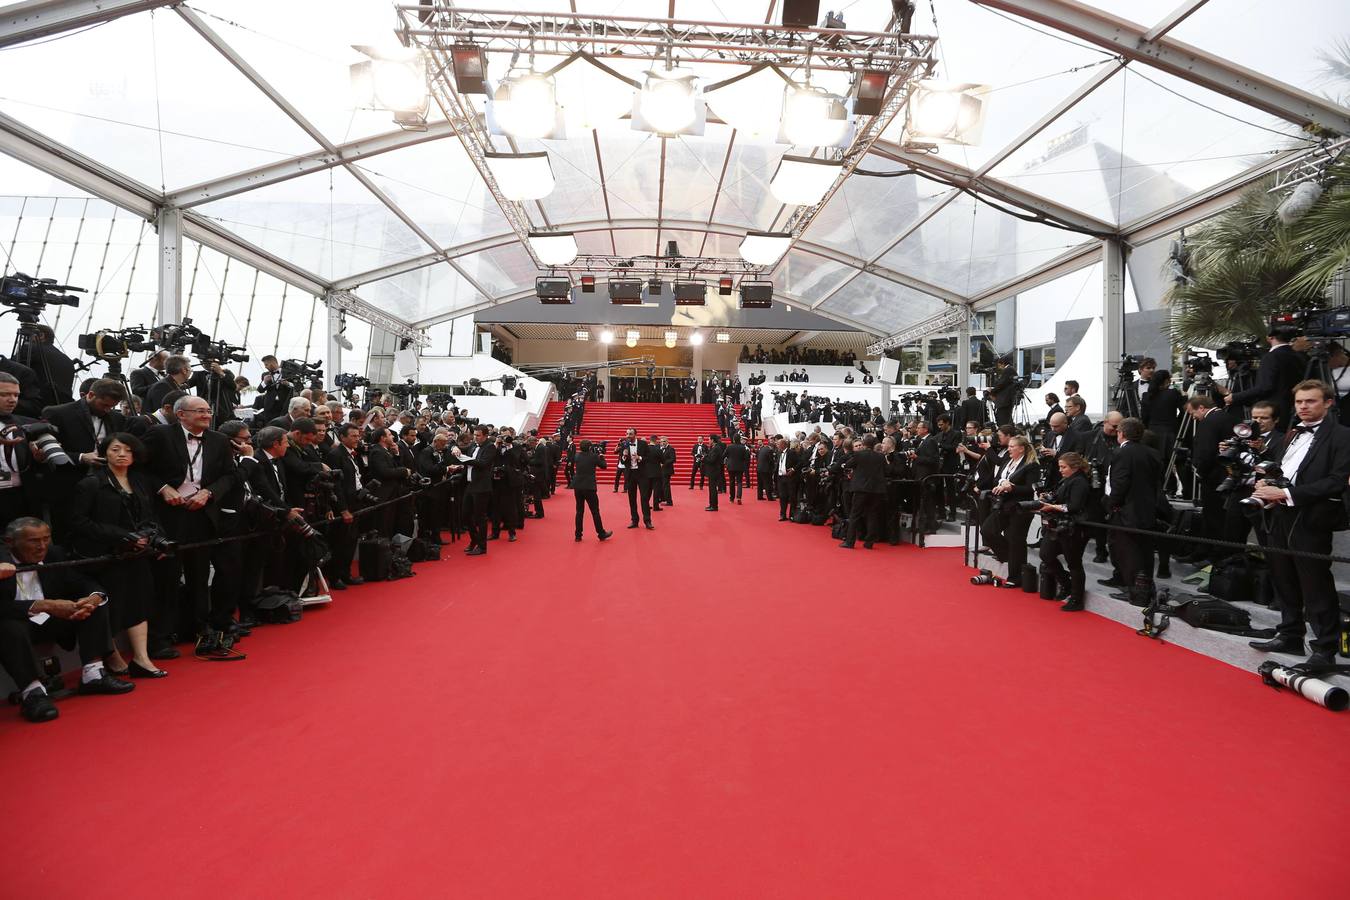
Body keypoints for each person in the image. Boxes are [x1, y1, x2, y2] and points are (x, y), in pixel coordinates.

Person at [1247, 380, 1350, 672]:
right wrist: (1268, 481)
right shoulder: (1291, 434)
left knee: (1315, 583)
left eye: (1311, 401)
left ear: (1328, 403)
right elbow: (1284, 469)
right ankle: (1290, 634)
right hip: (1279, 514)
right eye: (1299, 402)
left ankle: (1324, 648)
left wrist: (1285, 493)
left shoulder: (1343, 436)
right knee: (1283, 576)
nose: (1304, 406)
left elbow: (1336, 480)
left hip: (1312, 517)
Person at [0, 517, 136, 722]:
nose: (42, 546)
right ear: (10, 542)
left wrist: (93, 597)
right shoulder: (3, 561)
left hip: (53, 621)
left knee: (95, 604)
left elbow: (83, 582)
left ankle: (93, 675)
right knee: (8, 627)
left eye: (46, 539)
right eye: (33, 541)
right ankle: (33, 692)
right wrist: (47, 605)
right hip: (19, 623)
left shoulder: (54, 554)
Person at [141, 395, 243, 660]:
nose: (206, 415)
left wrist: (208, 493)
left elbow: (230, 476)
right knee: (167, 577)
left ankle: (199, 628)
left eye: (208, 410)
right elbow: (140, 470)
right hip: (167, 516)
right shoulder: (159, 435)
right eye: (199, 411)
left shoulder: (219, 440)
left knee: (199, 576)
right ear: (181, 414)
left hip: (202, 514)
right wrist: (164, 489)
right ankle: (160, 638)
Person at [69, 432, 168, 679]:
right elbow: (79, 522)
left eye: (127, 450)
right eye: (115, 449)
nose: (121, 454)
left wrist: (151, 537)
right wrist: (120, 535)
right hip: (106, 555)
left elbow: (150, 515)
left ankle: (142, 658)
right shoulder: (91, 483)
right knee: (114, 605)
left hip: (138, 554)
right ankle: (111, 655)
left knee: (141, 601)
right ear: (104, 453)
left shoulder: (140, 481)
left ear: (135, 455)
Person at [1104, 417, 1162, 605]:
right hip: (1147, 510)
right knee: (1145, 552)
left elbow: (1120, 484)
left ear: (1121, 433)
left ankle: (1135, 591)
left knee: (1128, 553)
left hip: (1126, 512)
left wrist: (1111, 504)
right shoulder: (1152, 453)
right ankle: (1145, 588)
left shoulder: (1122, 453)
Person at [980, 434, 1041, 587]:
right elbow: (997, 479)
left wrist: (1011, 487)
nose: (1009, 449)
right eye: (1009, 446)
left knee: (1016, 541)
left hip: (1020, 508)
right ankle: (1007, 557)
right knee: (987, 530)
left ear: (1021, 449)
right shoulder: (1007, 461)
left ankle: (1016, 577)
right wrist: (1000, 483)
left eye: (1012, 447)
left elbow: (1030, 488)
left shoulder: (1031, 464)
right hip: (1002, 505)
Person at [1035, 452, 1093, 611]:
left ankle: (1077, 599)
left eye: (1063, 467)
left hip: (1073, 528)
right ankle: (1066, 583)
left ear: (1074, 467)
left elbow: (1074, 506)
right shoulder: (1067, 479)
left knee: (1074, 563)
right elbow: (1059, 497)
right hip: (1059, 526)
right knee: (1045, 554)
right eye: (1060, 466)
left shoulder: (1080, 482)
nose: (1060, 470)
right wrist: (1048, 498)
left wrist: (1052, 506)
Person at [1228, 324, 1306, 429]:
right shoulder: (1299, 356)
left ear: (1269, 337)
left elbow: (1264, 387)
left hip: (1273, 414)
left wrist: (1235, 397)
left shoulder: (1271, 357)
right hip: (1295, 411)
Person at [450, 425, 497, 555]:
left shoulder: (490, 447)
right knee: (465, 515)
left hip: (482, 487)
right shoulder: (473, 446)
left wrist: (464, 458)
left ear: (486, 435)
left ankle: (482, 547)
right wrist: (455, 448)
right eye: (474, 435)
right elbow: (458, 448)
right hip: (470, 485)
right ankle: (475, 540)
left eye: (478, 435)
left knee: (480, 517)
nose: (475, 438)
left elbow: (482, 464)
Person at [839, 434, 886, 549]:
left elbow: (848, 465)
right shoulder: (880, 457)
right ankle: (869, 542)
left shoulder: (859, 455)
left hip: (860, 489)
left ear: (864, 444)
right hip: (876, 490)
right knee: (872, 514)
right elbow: (887, 470)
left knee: (855, 515)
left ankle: (850, 542)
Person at [570, 440, 613, 542]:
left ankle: (578, 535)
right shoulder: (594, 456)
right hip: (589, 487)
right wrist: (602, 456)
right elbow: (604, 466)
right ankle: (601, 533)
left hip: (578, 486)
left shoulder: (577, 456)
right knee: (595, 511)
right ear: (590, 447)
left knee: (579, 511)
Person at [775, 437, 800, 521]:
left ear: (783, 445)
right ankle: (782, 514)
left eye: (778, 444)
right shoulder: (779, 453)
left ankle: (792, 515)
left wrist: (793, 469)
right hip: (781, 478)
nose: (777, 445)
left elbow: (800, 462)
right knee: (782, 497)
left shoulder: (792, 452)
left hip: (790, 478)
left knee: (792, 497)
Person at [703, 433, 726, 511]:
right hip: (712, 471)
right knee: (711, 489)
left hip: (714, 471)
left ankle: (714, 506)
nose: (708, 441)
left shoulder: (716, 448)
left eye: (709, 439)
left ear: (712, 440)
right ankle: (711, 504)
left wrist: (704, 459)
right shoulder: (713, 447)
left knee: (713, 489)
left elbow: (712, 460)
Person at [724, 433, 749, 504]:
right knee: (739, 482)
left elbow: (724, 455)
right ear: (740, 439)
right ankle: (739, 497)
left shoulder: (729, 447)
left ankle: (732, 498)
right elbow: (746, 458)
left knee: (732, 482)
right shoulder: (743, 447)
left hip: (731, 466)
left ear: (734, 439)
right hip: (740, 467)